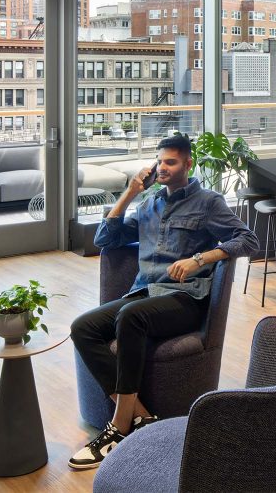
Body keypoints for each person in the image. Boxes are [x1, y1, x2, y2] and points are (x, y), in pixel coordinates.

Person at [68, 134, 258, 470]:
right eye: (159, 162)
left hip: (185, 299)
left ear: (188, 164)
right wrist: (130, 192)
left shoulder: (208, 202)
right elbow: (104, 239)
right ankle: (142, 417)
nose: (163, 168)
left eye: (170, 162)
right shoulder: (148, 205)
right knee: (82, 327)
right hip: (143, 294)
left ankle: (117, 427)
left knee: (131, 318)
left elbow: (248, 240)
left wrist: (201, 258)